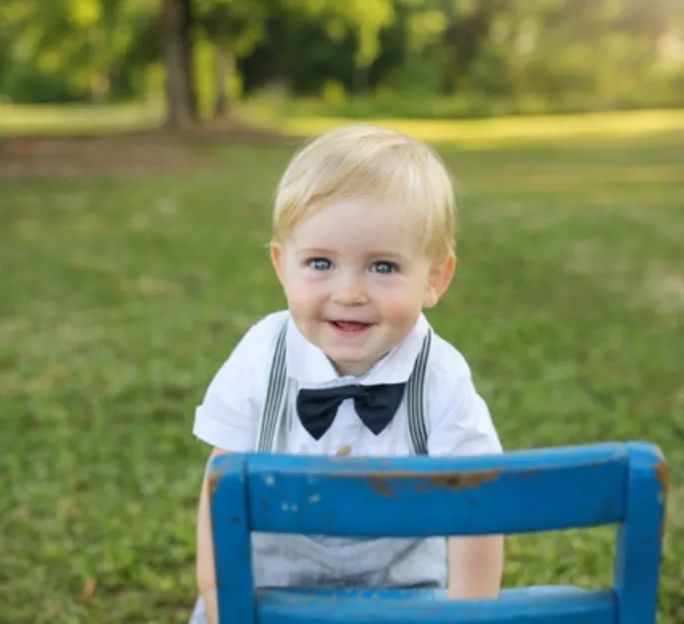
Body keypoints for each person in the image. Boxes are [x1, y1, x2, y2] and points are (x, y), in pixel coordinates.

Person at [189, 123, 504, 624]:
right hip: (269, 596)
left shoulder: (441, 376)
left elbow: (478, 503)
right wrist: (222, 601)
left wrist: (466, 617)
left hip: (402, 601)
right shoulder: (260, 356)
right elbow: (219, 488)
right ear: (281, 266)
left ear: (435, 279)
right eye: (320, 263)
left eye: (382, 267)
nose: (350, 292)